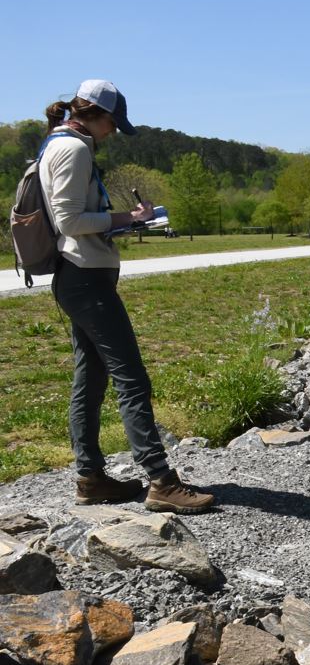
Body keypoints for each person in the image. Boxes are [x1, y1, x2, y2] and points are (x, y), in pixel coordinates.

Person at [39, 79, 214, 513]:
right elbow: (69, 220)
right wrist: (127, 218)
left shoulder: (58, 143)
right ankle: (161, 481)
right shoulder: (74, 149)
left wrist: (124, 221)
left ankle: (91, 478)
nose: (114, 131)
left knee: (90, 378)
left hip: (77, 276)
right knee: (131, 378)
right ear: (94, 115)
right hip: (86, 279)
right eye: (112, 123)